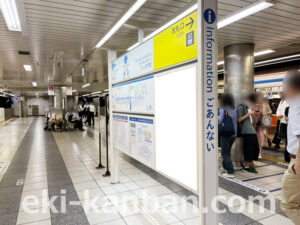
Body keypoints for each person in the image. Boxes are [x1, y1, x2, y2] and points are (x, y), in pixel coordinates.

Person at [281, 70, 300, 224]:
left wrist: (299, 161)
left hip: (298, 160)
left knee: (289, 204)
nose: (283, 90)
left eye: (284, 85)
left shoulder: (297, 105)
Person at [237, 93, 260, 173]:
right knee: (249, 149)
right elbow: (239, 120)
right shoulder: (240, 107)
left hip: (251, 130)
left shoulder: (248, 108)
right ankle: (246, 166)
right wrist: (249, 114)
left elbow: (252, 122)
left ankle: (248, 164)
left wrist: (254, 116)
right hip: (246, 131)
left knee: (255, 148)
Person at [218, 94, 237, 177]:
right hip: (234, 133)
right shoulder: (234, 109)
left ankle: (230, 171)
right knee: (227, 151)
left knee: (225, 152)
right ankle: (225, 167)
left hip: (225, 132)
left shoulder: (223, 109)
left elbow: (220, 120)